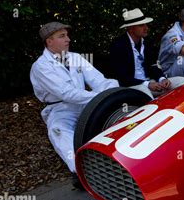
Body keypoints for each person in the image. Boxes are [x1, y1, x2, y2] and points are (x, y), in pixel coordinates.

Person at [30, 22, 119, 174]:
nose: (68, 39)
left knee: (113, 90)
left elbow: (98, 80)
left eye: (67, 35)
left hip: (86, 102)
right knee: (58, 131)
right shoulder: (41, 66)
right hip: (60, 109)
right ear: (49, 41)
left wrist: (109, 92)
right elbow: (65, 93)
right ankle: (84, 172)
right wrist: (98, 97)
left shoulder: (76, 57)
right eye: (62, 36)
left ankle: (125, 155)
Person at [110, 8, 184, 97]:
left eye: (146, 24)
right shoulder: (118, 45)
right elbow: (122, 78)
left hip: (150, 83)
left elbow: (153, 65)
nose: (146, 28)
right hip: (131, 87)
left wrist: (162, 79)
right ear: (131, 28)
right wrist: (147, 84)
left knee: (181, 81)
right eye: (141, 25)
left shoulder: (147, 42)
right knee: (144, 90)